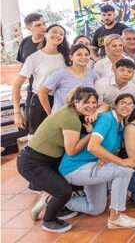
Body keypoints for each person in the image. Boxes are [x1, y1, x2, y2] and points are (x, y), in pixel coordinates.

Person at [17, 87, 99, 233]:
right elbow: (71, 150)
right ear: (75, 101)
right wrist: (91, 135)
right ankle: (49, 220)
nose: (92, 106)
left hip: (48, 161)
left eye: (94, 102)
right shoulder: (70, 118)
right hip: (32, 163)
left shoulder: (71, 112)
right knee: (63, 191)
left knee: (69, 184)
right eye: (87, 102)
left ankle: (49, 201)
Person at [58, 92, 135, 229]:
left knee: (95, 209)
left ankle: (56, 200)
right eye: (123, 103)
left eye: (130, 104)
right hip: (75, 168)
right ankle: (116, 218)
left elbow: (109, 148)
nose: (127, 106)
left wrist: (105, 157)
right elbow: (92, 146)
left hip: (93, 166)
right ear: (114, 105)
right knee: (125, 170)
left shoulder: (120, 125)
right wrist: (120, 162)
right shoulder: (106, 118)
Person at [12, 24, 69, 133]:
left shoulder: (66, 57)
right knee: (39, 140)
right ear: (46, 34)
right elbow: (17, 85)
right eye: (54, 32)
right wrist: (17, 112)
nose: (58, 35)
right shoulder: (34, 58)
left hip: (62, 101)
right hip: (39, 103)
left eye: (61, 34)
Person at [39, 44, 97, 114]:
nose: (83, 57)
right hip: (62, 117)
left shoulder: (92, 74)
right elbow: (42, 92)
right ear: (71, 57)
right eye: (79, 54)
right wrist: (50, 114)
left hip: (83, 117)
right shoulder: (60, 73)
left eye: (86, 55)